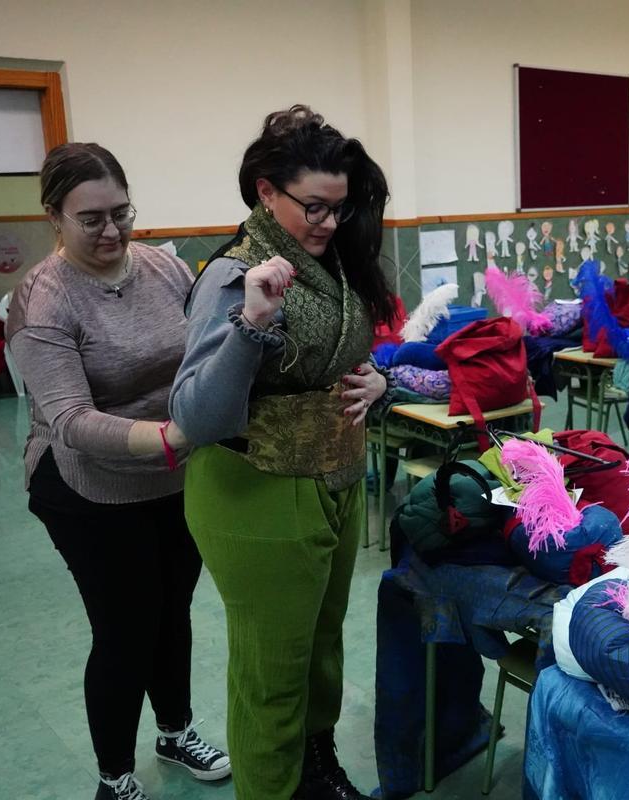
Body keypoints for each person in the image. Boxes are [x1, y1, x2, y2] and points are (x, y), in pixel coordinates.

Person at [170, 106, 394, 800]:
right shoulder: (232, 275)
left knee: (321, 651)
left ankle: (314, 772)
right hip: (255, 490)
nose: (329, 222)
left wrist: (380, 383)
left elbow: (347, 355)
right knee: (272, 669)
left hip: (334, 479)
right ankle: (272, 787)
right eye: (313, 207)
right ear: (266, 191)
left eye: (339, 206)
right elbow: (194, 416)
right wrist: (251, 323)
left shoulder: (335, 263)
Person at [6, 143, 230, 800]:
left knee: (174, 610)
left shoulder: (163, 267)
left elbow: (207, 348)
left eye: (121, 213)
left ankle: (175, 731)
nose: (111, 232)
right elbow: (71, 419)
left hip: (174, 474)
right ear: (55, 217)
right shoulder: (43, 301)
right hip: (86, 486)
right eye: (91, 220)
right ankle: (114, 776)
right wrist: (176, 433)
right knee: (126, 626)